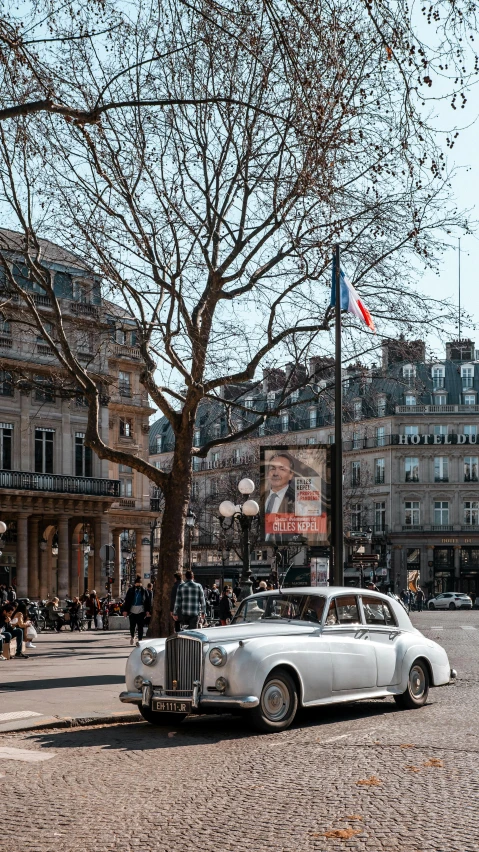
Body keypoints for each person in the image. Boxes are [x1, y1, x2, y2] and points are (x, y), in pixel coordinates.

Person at [264, 452, 296, 542]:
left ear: (291, 475)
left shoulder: (297, 500)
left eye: (282, 469)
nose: (275, 473)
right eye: (272, 468)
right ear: (267, 473)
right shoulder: (260, 499)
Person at [122, 576, 151, 644]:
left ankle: (140, 640)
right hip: (132, 610)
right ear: (135, 584)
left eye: (139, 583)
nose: (138, 585)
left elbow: (147, 601)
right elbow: (127, 601)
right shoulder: (130, 590)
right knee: (132, 626)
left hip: (141, 610)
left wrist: (147, 611)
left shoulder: (144, 591)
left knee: (140, 626)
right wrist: (125, 610)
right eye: (137, 583)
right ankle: (132, 636)